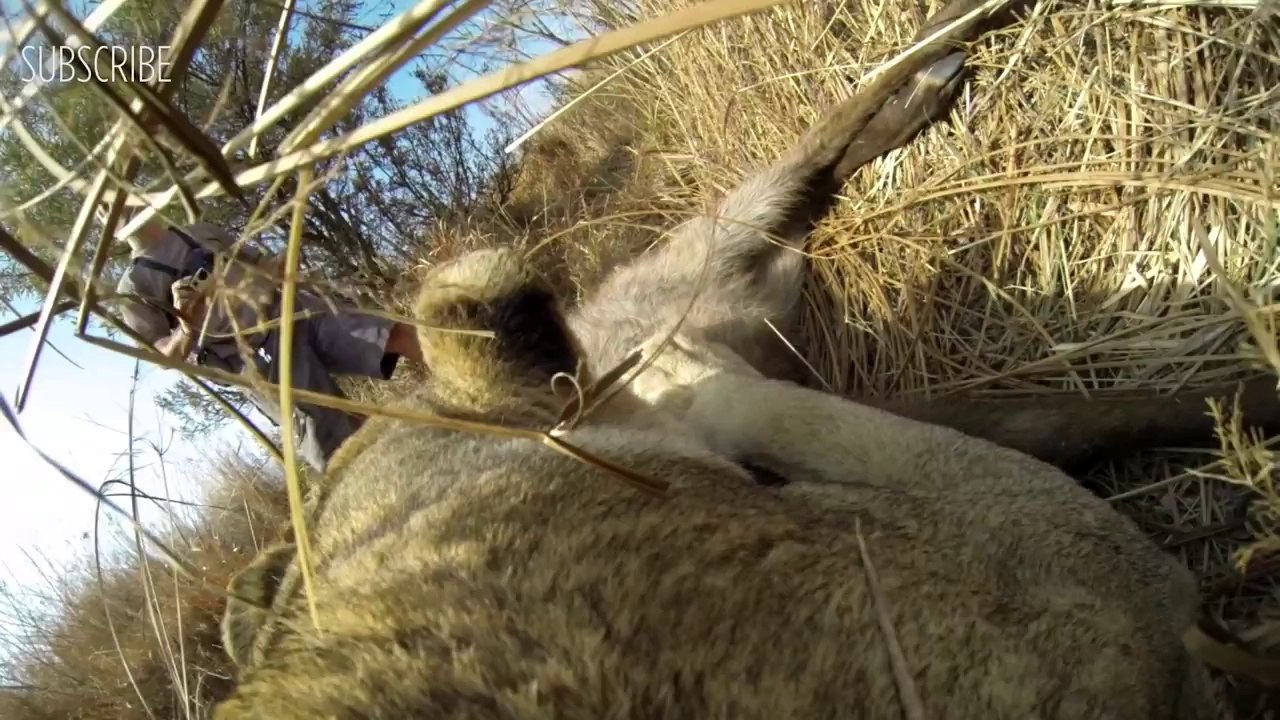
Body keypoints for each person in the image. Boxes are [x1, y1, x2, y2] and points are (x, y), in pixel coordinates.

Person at [113, 213, 424, 473]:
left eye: (116, 195)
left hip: (296, 311)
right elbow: (162, 355)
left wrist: (294, 262)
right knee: (335, 444)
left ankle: (467, 372)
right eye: (101, 207)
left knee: (393, 334)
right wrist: (186, 327)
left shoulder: (198, 232)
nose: (112, 207)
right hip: (260, 361)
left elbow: (265, 266)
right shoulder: (133, 286)